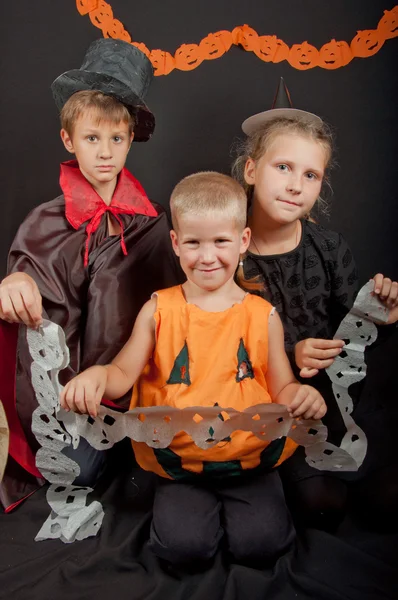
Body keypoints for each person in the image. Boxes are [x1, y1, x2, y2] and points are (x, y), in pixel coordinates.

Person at [60, 171, 327, 565]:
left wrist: (303, 396)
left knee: (263, 547)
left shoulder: (262, 315)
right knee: (183, 550)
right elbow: (120, 375)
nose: (207, 256)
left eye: (220, 241)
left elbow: (282, 389)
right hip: (180, 461)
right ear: (175, 244)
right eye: (193, 243)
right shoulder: (159, 309)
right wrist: (96, 378)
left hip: (249, 458)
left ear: (243, 241)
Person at [0, 39, 182, 510]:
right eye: (91, 138)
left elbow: (181, 306)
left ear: (130, 140)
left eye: (116, 139)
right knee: (75, 468)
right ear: (68, 139)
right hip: (68, 399)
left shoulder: (154, 224)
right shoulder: (43, 221)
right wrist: (14, 281)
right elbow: (25, 283)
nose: (105, 153)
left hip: (137, 392)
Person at [231, 79, 398, 530]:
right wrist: (290, 354)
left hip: (340, 403)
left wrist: (381, 315)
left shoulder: (329, 248)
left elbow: (355, 338)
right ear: (250, 170)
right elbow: (222, 347)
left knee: (388, 500)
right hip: (271, 406)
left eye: (310, 175)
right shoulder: (227, 253)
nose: (295, 185)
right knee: (323, 505)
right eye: (283, 167)